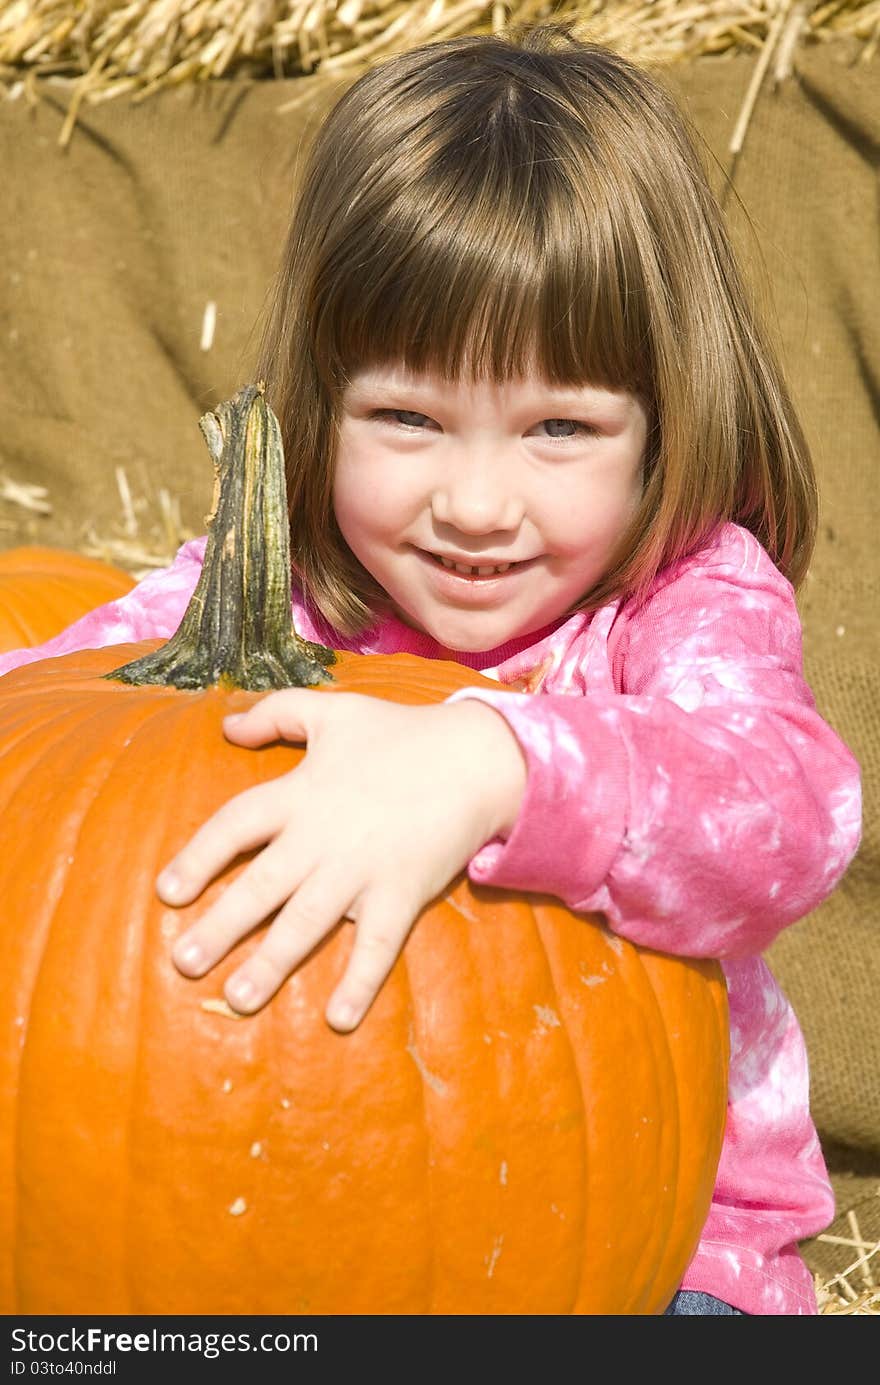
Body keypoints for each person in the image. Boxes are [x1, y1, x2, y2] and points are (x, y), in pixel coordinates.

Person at [0, 23, 861, 1315]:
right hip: (289, 1227)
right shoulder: (273, 590)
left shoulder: (678, 599)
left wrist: (494, 762)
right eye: (406, 417)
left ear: (665, 424)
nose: (472, 503)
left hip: (655, 1253)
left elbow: (789, 811)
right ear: (322, 400)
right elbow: (55, 715)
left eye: (559, 429)